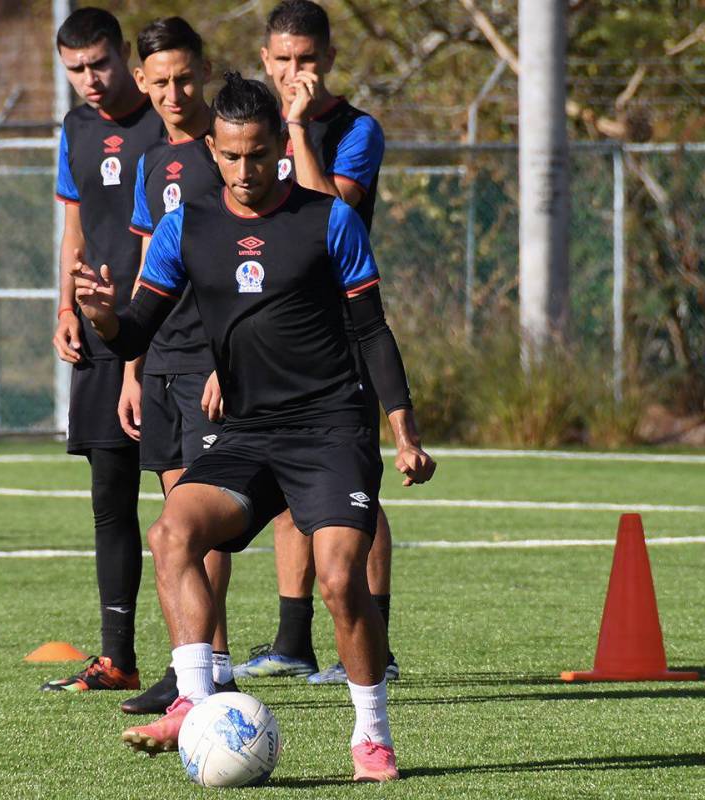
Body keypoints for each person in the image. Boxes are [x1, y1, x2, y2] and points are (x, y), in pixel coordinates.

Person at [75, 73, 435, 783]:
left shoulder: (329, 219)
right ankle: (196, 699)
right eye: (233, 156)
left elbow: (372, 331)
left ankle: (372, 736)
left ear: (280, 145)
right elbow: (136, 331)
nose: (247, 171)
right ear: (213, 149)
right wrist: (104, 318)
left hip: (331, 428)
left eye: (261, 154)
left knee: (338, 580)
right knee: (172, 532)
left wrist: (403, 429)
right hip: (247, 433)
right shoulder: (187, 226)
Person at [233, 0, 399, 685]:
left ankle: (376, 647)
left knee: (352, 488)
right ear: (265, 60)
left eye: (305, 60)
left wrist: (298, 128)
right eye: (281, 61)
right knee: (285, 476)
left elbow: (330, 209)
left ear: (327, 60)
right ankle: (292, 641)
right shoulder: (252, 135)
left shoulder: (355, 129)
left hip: (340, 332)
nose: (293, 72)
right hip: (277, 334)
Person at [116, 16, 239, 716]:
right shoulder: (153, 162)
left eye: (185, 78)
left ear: (206, 70)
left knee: (201, 518)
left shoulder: (227, 151)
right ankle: (189, 663)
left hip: (209, 362)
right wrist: (132, 367)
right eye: (159, 81)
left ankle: (214, 664)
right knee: (172, 517)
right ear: (143, 81)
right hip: (160, 358)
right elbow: (144, 267)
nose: (173, 91)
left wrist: (231, 358)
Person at [43, 7, 164, 693]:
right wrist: (65, 304)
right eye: (75, 70)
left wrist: (137, 363)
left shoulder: (164, 119)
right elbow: (74, 228)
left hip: (166, 330)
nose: (89, 80)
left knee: (187, 500)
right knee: (110, 499)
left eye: (99, 64)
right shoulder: (76, 129)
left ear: (125, 56)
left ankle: (203, 664)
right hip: (96, 330)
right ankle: (118, 656)